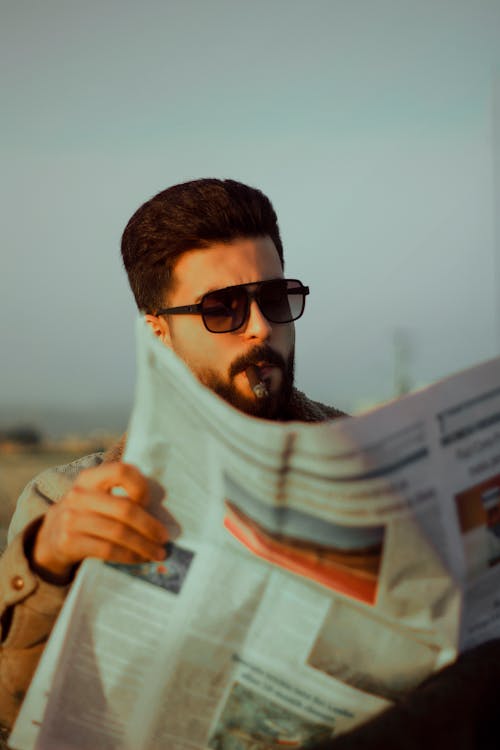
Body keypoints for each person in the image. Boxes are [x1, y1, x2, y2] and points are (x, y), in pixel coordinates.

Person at [0, 178, 498, 749]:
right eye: (223, 309)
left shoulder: (373, 459)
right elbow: (14, 715)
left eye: (275, 298)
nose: (261, 326)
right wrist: (46, 564)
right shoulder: (66, 500)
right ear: (158, 331)